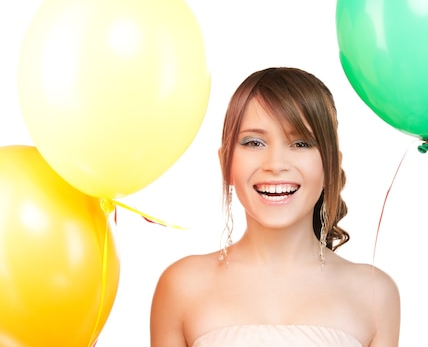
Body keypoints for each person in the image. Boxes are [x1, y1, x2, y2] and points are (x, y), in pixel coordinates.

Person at [150, 67, 401, 347]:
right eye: (254, 142)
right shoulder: (182, 286)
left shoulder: (374, 294)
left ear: (331, 165)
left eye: (301, 143)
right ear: (226, 162)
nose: (275, 164)